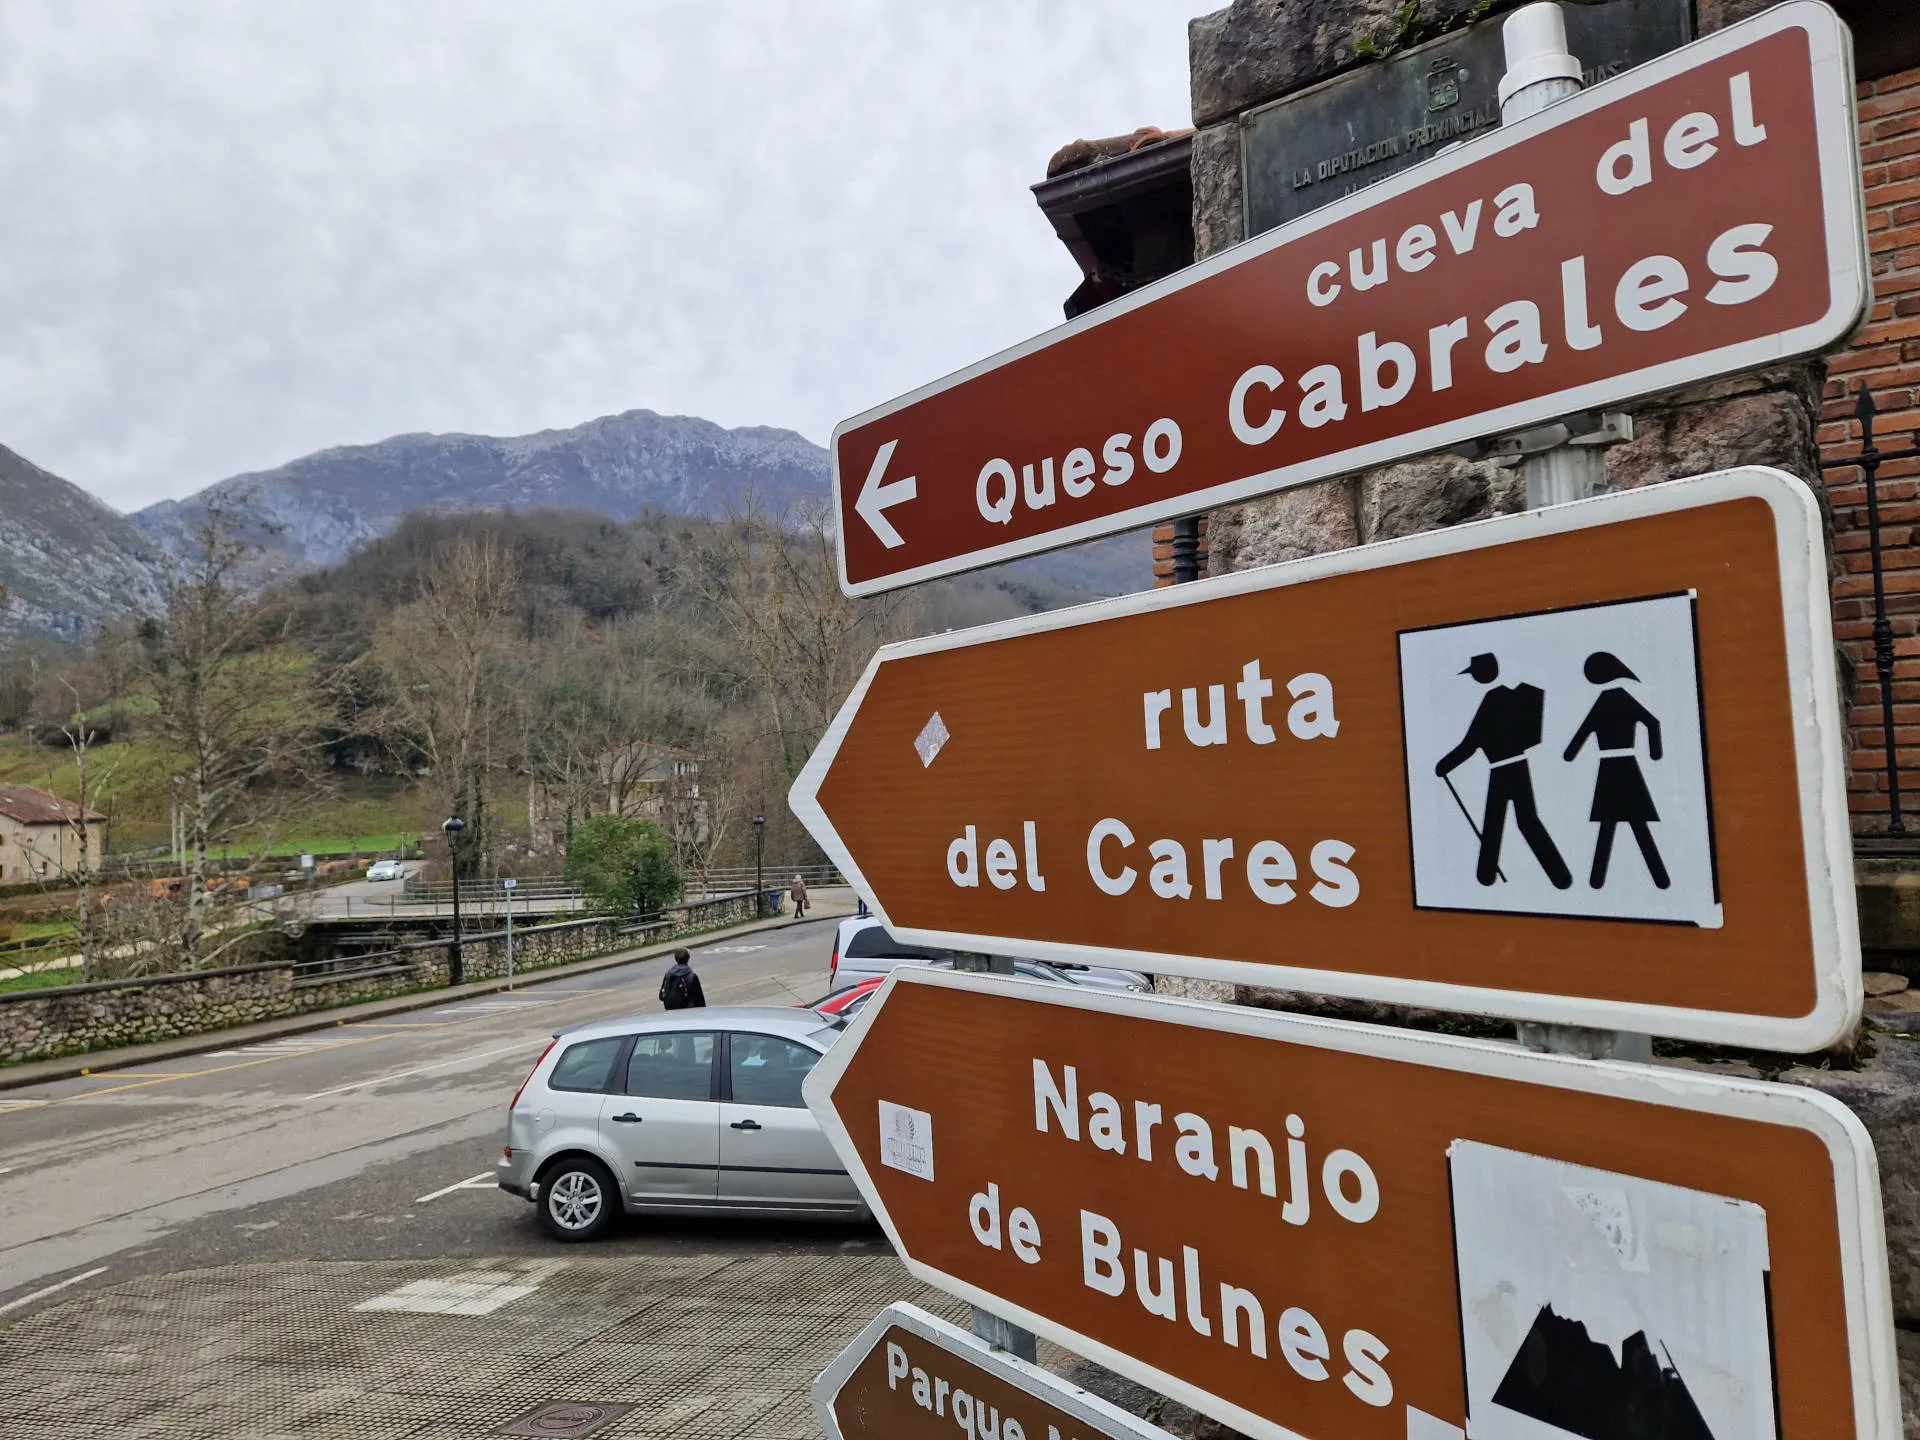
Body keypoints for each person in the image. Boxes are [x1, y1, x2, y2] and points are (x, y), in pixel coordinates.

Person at [1434, 652, 1573, 890]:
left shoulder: (1492, 700)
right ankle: (1560, 877)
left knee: (1494, 824)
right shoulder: (1517, 697)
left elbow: (1471, 744)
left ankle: (1486, 876)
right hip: (1520, 768)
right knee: (1527, 821)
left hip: (1500, 771)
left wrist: (1444, 765)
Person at [1563, 651, 1670, 889]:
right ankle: (1601, 881)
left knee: (1623, 822)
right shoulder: (1612, 700)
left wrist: (1655, 752)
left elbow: (1651, 722)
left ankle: (1601, 881)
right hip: (1617, 766)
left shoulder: (1612, 700)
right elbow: (1650, 722)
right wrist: (1654, 752)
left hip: (1617, 766)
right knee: (1618, 822)